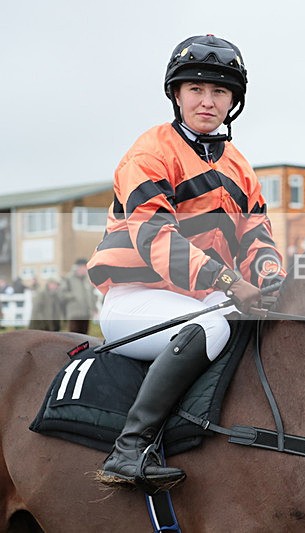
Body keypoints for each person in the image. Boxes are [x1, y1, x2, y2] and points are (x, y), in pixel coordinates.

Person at [87, 34, 284, 493]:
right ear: (176, 94)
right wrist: (231, 281)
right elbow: (155, 236)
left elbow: (257, 236)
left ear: (233, 100)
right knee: (215, 327)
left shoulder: (240, 167)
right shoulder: (149, 152)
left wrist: (271, 276)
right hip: (135, 301)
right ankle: (130, 448)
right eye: (196, 88)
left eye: (219, 91)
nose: (207, 100)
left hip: (203, 297)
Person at [59, 258, 98, 334]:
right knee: (74, 336)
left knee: (85, 336)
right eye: (83, 267)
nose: (85, 270)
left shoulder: (87, 279)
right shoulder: (68, 278)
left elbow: (91, 294)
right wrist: (73, 296)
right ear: (77, 267)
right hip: (74, 314)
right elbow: (62, 294)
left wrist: (94, 308)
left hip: (86, 313)